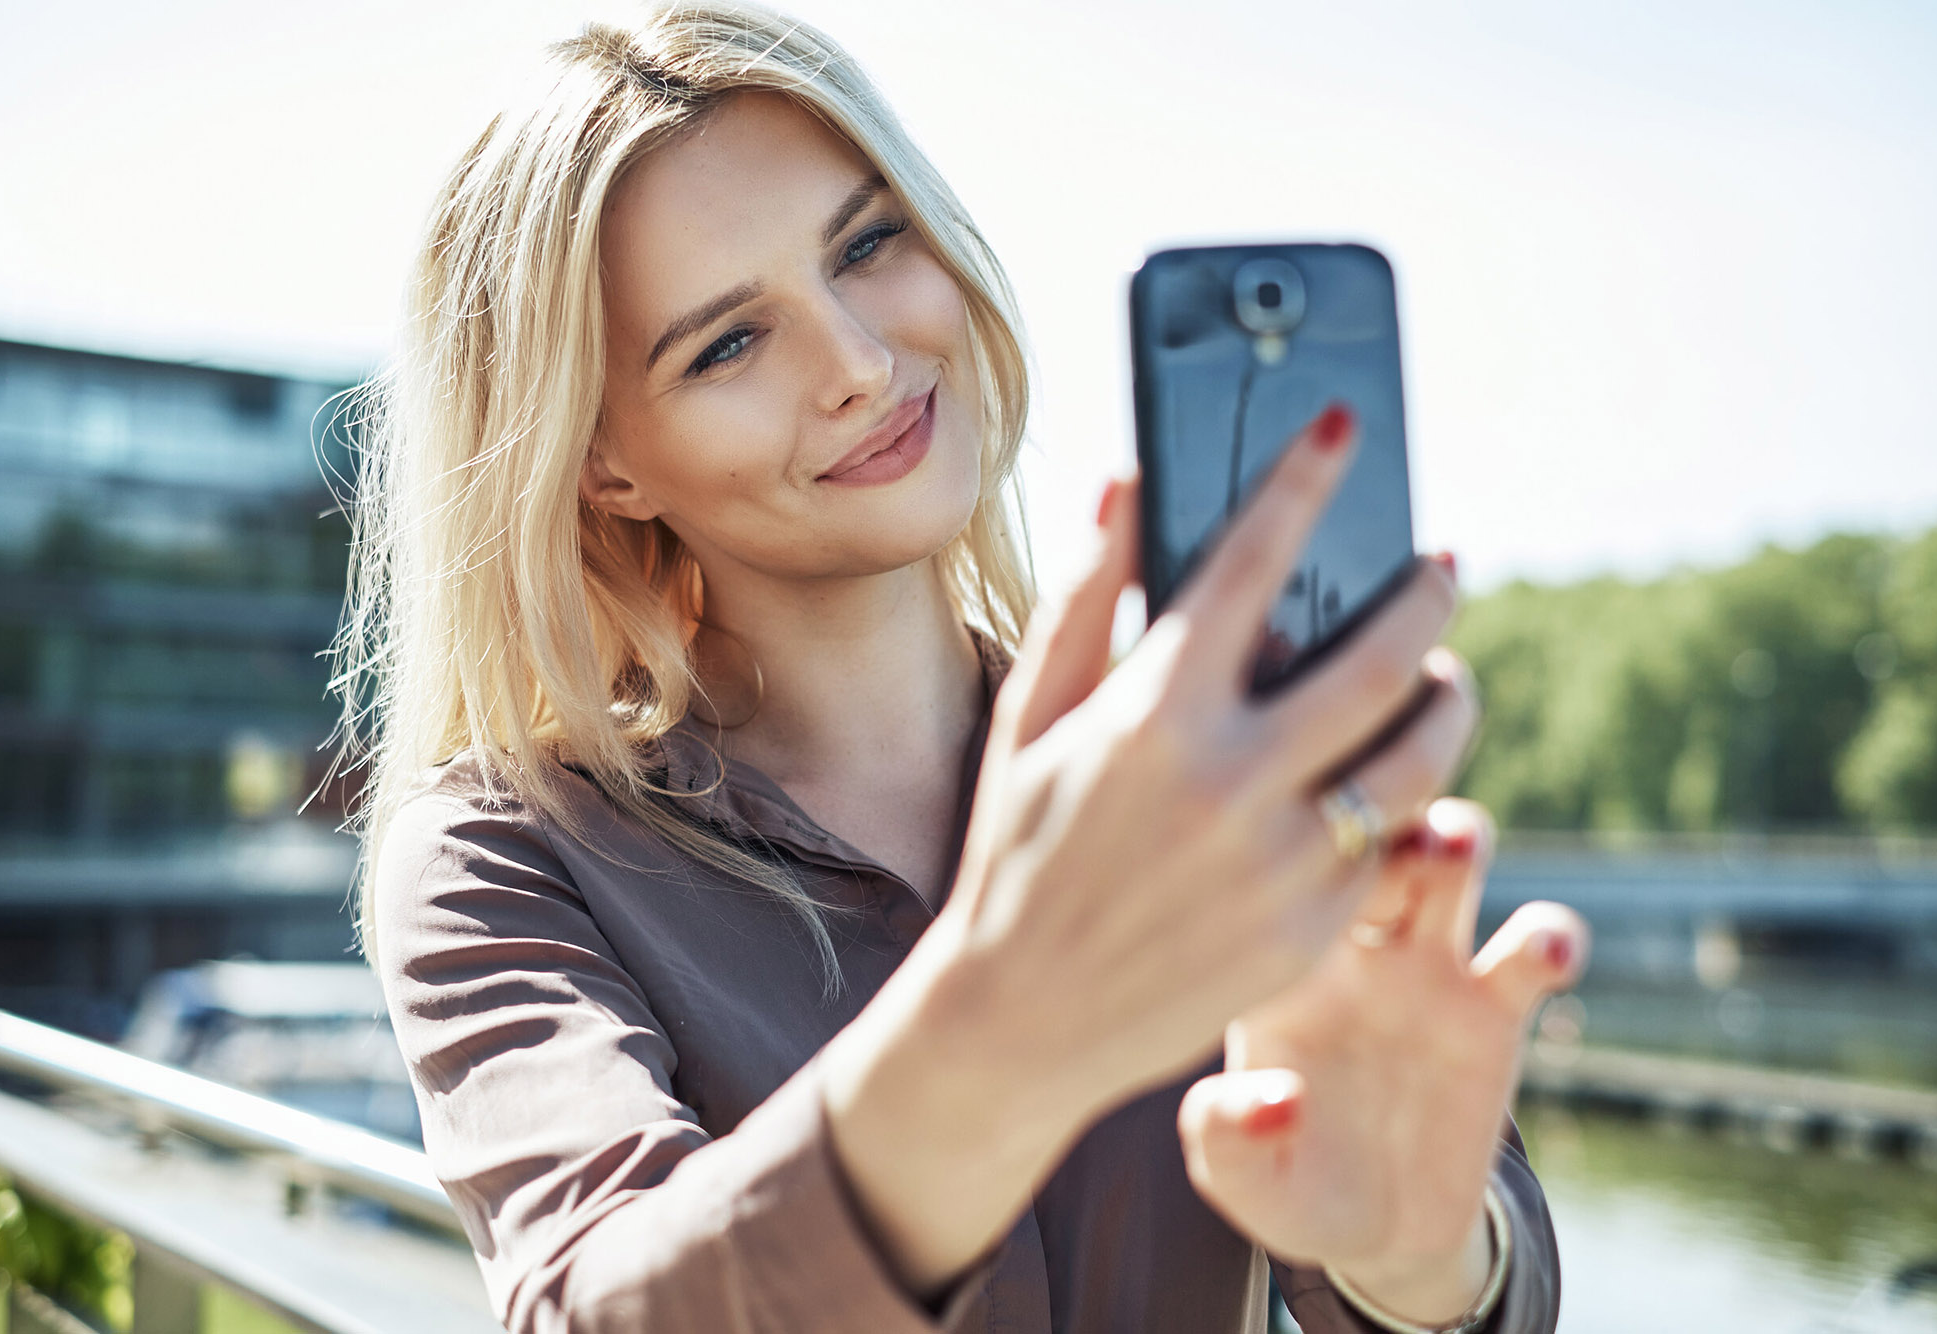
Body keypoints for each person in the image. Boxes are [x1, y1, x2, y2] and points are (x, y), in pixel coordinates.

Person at [333, 6, 1589, 1332]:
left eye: (869, 244)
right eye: (729, 343)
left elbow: (1460, 1262)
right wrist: (1007, 1017)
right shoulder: (501, 854)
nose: (865, 367)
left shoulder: (1190, 769)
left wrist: (1412, 1257)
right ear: (602, 460)